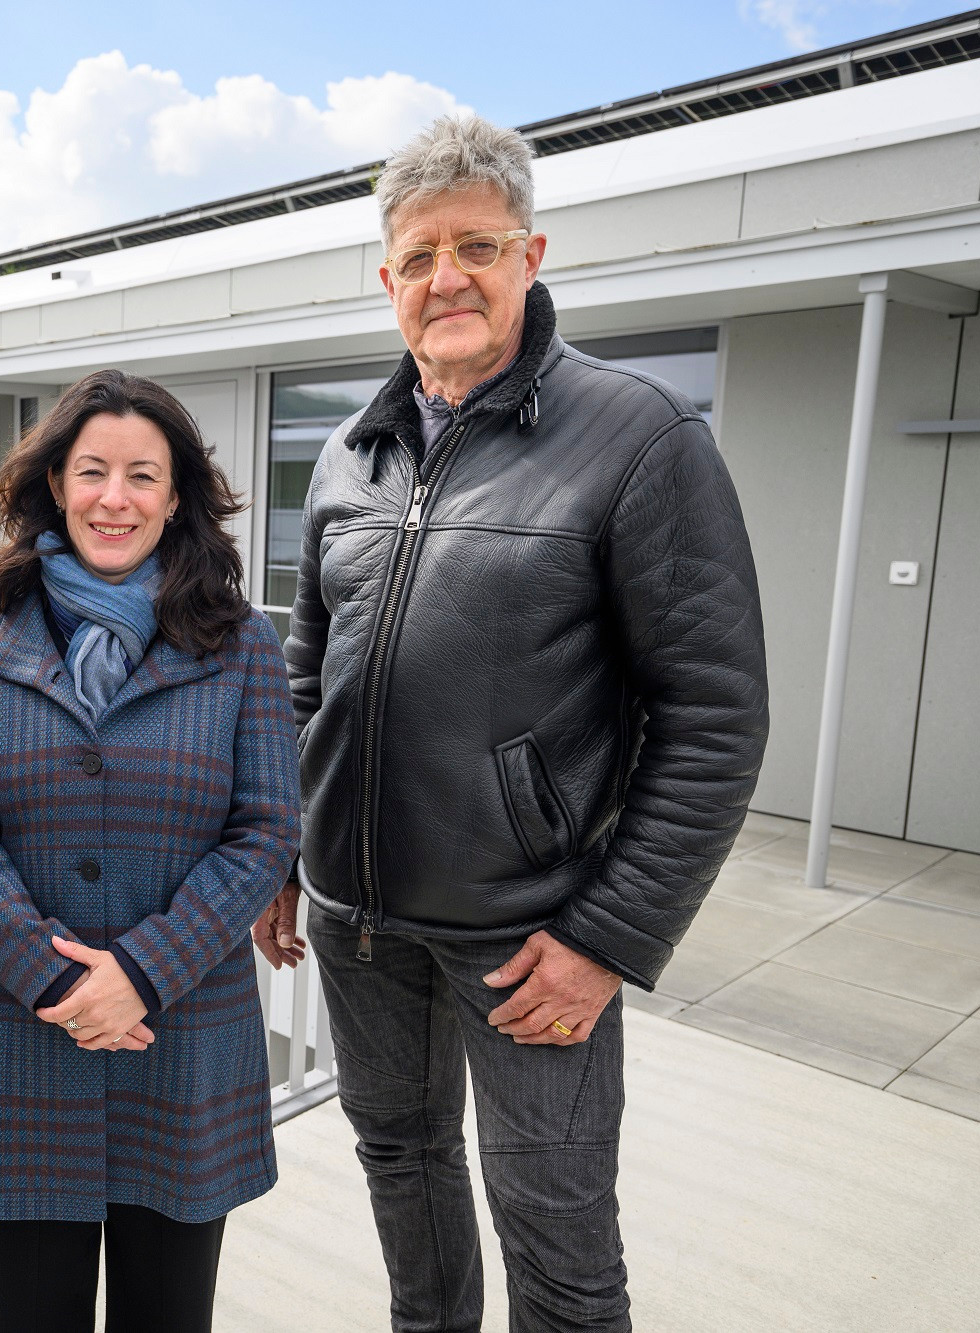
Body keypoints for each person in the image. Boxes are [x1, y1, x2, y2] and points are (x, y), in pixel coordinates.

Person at [259, 113, 769, 1332]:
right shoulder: (349, 452)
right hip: (358, 925)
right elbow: (303, 670)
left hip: (527, 939)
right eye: (419, 255)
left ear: (529, 256)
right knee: (403, 1170)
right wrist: (281, 849)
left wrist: (609, 934)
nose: (447, 278)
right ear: (386, 280)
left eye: (475, 247)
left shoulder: (638, 440)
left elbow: (712, 717)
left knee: (555, 1234)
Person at [0, 369, 302, 1333]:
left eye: (143, 474)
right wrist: (56, 982)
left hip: (181, 1049)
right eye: (92, 471)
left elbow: (265, 827)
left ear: (177, 497)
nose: (114, 497)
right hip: (26, 1039)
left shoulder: (244, 645)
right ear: (57, 483)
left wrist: (141, 971)